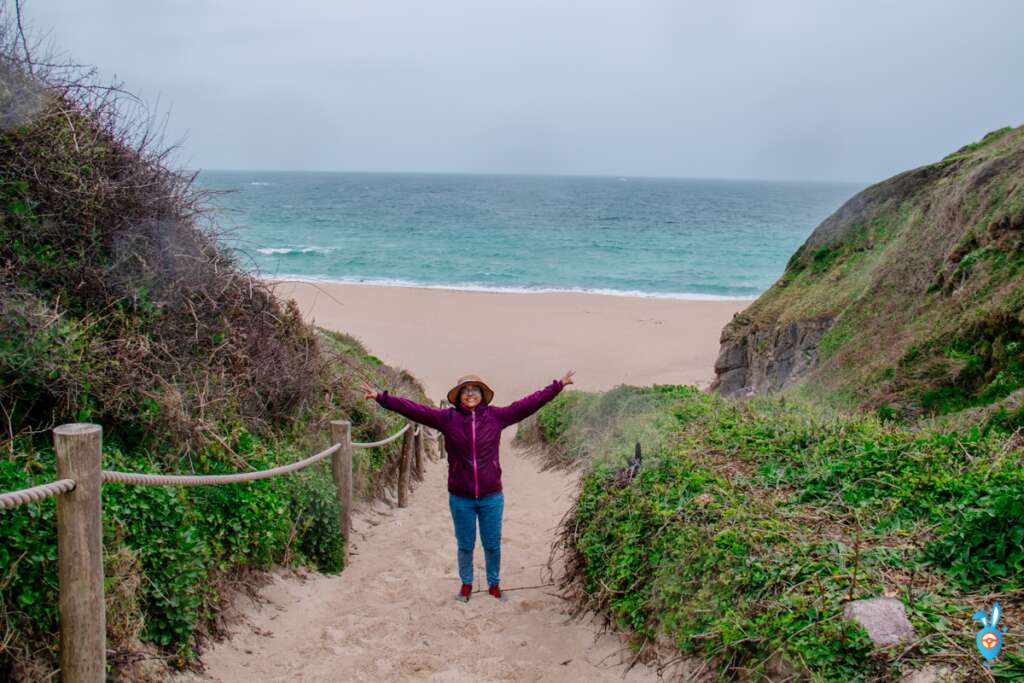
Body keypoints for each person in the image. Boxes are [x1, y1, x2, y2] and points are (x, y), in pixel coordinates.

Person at [360, 370, 575, 602]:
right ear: (459, 395)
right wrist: (382, 398)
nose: (470, 393)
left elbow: (529, 404)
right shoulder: (447, 419)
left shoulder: (497, 417)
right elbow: (414, 409)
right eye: (466, 389)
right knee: (465, 545)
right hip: (460, 497)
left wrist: (557, 386)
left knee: (492, 545)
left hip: (491, 496)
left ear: (482, 394)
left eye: (475, 389)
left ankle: (494, 585)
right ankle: (466, 585)